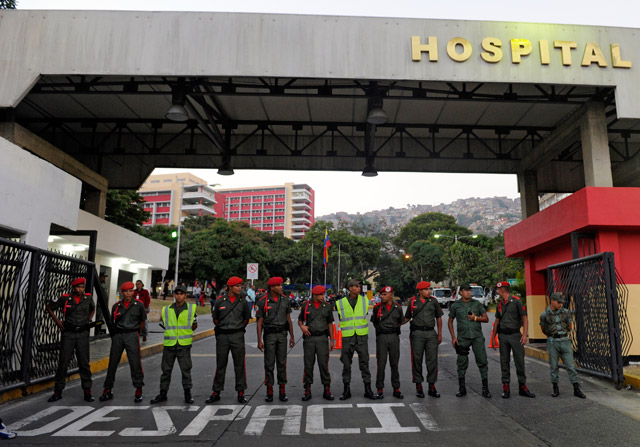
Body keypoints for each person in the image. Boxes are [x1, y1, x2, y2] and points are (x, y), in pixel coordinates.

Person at [46, 277, 96, 402]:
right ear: (73, 287)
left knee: (84, 364)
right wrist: (57, 321)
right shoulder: (65, 298)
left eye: (82, 287)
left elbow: (93, 308)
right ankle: (58, 392)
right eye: (78, 287)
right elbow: (49, 307)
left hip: (82, 334)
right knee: (63, 363)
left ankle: (87, 392)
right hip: (68, 334)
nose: (81, 289)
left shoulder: (88, 298)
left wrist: (89, 319)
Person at [99, 281, 146, 403]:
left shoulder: (139, 305)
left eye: (131, 291)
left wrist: (136, 333)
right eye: (126, 291)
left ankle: (138, 390)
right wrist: (115, 336)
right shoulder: (116, 306)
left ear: (133, 292)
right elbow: (112, 322)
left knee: (135, 363)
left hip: (132, 335)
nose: (128, 294)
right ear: (122, 292)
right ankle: (107, 389)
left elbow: (142, 322)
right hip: (118, 336)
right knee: (113, 362)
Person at [207, 276, 251, 404]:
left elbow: (246, 319)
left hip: (237, 335)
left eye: (240, 286)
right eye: (237, 286)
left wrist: (238, 328)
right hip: (223, 336)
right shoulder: (220, 301)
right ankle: (216, 391)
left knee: (239, 364)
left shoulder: (243, 301)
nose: (240, 288)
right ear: (230, 287)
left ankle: (241, 392)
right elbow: (215, 319)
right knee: (221, 364)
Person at [150, 285, 198, 404]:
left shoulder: (191, 309)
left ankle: (188, 394)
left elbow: (194, 324)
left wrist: (185, 333)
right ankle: (163, 393)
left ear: (185, 295)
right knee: (166, 370)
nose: (179, 296)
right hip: (169, 344)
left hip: (184, 345)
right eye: (176, 293)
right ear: (174, 295)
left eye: (181, 294)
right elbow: (165, 323)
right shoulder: (166, 309)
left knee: (185, 370)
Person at [492, 281, 535, 399]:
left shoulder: (516, 301)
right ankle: (506, 387)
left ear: (503, 290)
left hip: (515, 335)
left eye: (498, 289)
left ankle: (522, 386)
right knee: (504, 361)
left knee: (519, 361)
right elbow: (497, 321)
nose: (497, 291)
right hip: (503, 336)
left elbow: (524, 318)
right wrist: (493, 338)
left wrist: (525, 335)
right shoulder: (499, 304)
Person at [448, 283, 491, 398]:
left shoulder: (476, 304)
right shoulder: (456, 305)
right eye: (465, 290)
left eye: (469, 290)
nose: (468, 292)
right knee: (461, 363)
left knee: (482, 361)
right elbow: (450, 321)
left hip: (477, 337)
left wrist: (475, 318)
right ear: (461, 292)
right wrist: (453, 337)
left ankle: (485, 389)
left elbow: (486, 319)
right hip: (463, 338)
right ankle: (462, 388)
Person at [335, 279, 376, 400]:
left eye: (359, 287)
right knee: (346, 364)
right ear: (350, 288)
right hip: (348, 337)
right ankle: (346, 390)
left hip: (361, 336)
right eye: (356, 287)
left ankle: (368, 389)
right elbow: (341, 318)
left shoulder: (364, 300)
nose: (358, 288)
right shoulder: (340, 302)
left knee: (365, 363)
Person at [540, 292, 586, 399]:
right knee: (553, 366)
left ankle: (576, 389)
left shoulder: (565, 312)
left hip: (565, 340)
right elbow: (543, 329)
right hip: (553, 341)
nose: (560, 304)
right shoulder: (544, 314)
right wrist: (552, 335)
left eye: (561, 303)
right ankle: (555, 388)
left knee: (570, 366)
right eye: (558, 302)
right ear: (552, 301)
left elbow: (570, 326)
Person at [257, 277, 295, 402]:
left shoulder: (285, 300)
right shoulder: (263, 301)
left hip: (282, 334)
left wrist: (292, 336)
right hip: (269, 335)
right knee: (269, 363)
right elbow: (260, 322)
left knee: (282, 362)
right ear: (272, 287)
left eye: (281, 285)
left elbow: (288, 319)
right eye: (278, 285)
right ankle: (269, 389)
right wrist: (259, 340)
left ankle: (282, 389)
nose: (280, 287)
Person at [404, 281, 443, 398]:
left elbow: (439, 318)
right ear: (420, 291)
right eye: (426, 289)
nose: (429, 291)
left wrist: (439, 334)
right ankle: (419, 386)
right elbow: (407, 317)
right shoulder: (412, 301)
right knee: (417, 359)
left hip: (431, 333)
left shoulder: (433, 301)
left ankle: (432, 386)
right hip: (417, 333)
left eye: (429, 289)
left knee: (432, 360)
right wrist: (395, 324)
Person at [298, 285, 335, 401]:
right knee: (308, 365)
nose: (323, 296)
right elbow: (300, 320)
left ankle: (327, 389)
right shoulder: (305, 305)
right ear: (314, 295)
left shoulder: (327, 307)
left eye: (323, 294)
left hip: (322, 338)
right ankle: (307, 389)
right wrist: (302, 327)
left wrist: (332, 340)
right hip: (309, 339)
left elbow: (330, 324)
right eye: (320, 295)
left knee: (324, 365)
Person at [371, 286, 404, 399]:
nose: (382, 296)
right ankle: (380, 389)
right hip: (382, 337)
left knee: (394, 364)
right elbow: (374, 322)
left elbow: (401, 321)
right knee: (381, 364)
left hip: (394, 337)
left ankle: (396, 388)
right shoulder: (377, 308)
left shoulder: (398, 308)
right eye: (381, 294)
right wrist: (381, 330)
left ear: (391, 295)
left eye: (384, 294)